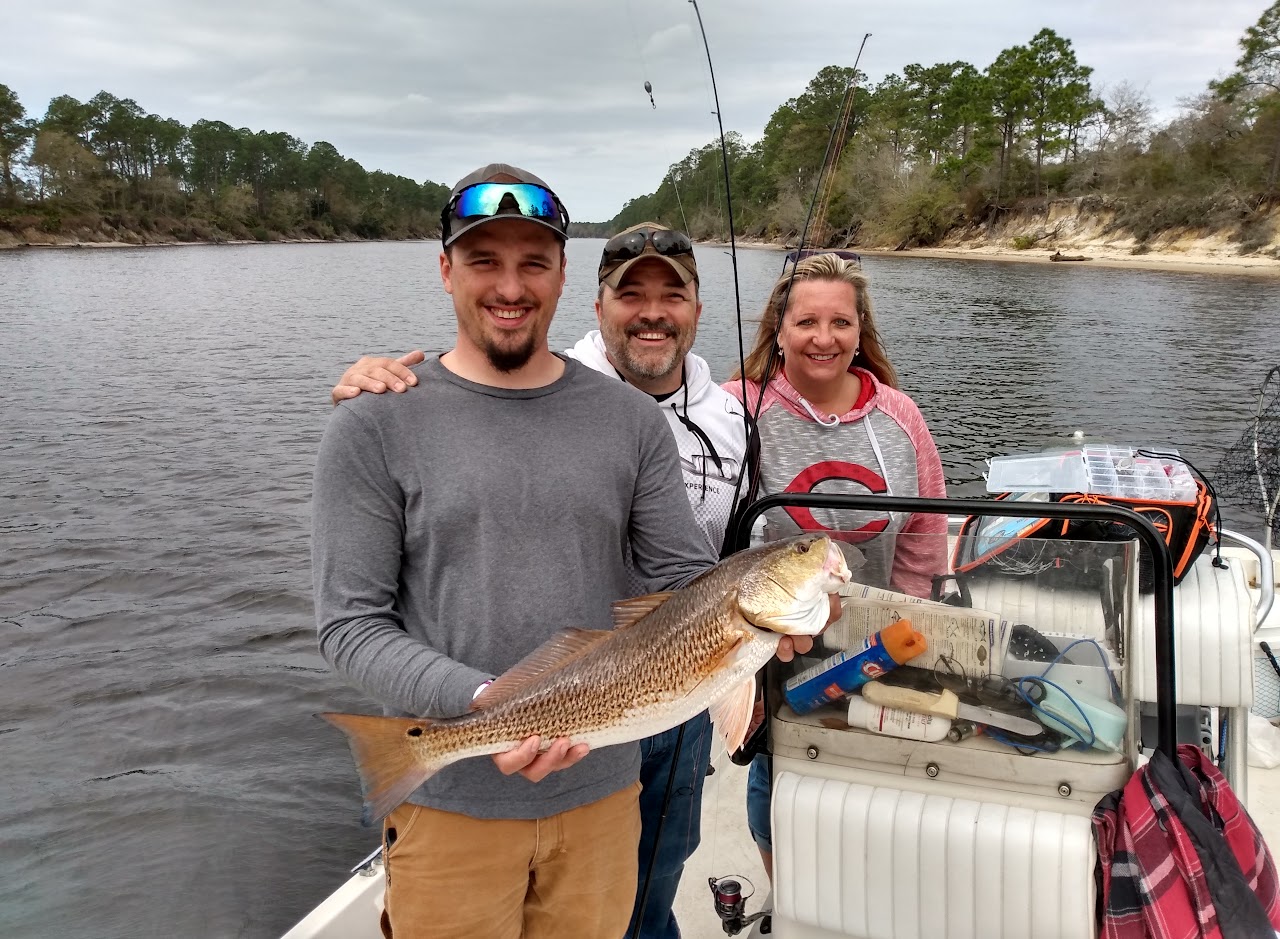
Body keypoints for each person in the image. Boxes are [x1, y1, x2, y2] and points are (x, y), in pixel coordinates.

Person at [329, 221, 800, 939]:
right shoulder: (374, 419)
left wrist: (759, 626)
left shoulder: (633, 421)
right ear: (446, 269)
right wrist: (487, 701)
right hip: (450, 801)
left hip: (604, 797)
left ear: (561, 276)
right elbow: (350, 625)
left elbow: (681, 575)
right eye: (485, 260)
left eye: (534, 264)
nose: (511, 286)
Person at [725, 252, 949, 882]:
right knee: (776, 784)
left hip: (875, 644)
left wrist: (911, 631)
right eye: (806, 322)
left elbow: (925, 538)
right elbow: (644, 403)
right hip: (770, 645)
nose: (824, 339)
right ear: (778, 330)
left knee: (875, 791)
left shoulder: (901, 418)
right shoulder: (734, 409)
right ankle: (789, 898)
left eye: (840, 323)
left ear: (860, 330)